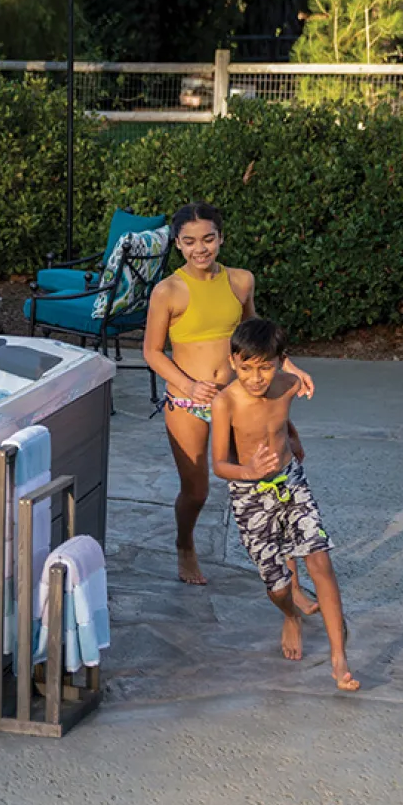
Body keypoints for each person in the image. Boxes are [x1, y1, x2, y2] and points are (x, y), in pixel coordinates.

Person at [142, 202, 315, 586]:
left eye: (207, 239)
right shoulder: (167, 291)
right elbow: (152, 352)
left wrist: (289, 366)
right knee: (198, 489)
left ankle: (287, 573)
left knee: (271, 479)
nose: (199, 248)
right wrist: (188, 385)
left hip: (238, 400)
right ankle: (185, 544)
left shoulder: (240, 281)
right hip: (188, 402)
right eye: (189, 242)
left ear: (221, 238)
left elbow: (256, 336)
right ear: (177, 244)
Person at [211, 319, 358, 691]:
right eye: (246, 368)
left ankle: (339, 655)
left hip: (291, 482)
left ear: (280, 362)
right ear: (233, 362)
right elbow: (218, 464)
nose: (256, 378)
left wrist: (293, 437)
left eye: (265, 367)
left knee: (320, 559)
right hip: (249, 494)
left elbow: (279, 418)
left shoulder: (289, 385)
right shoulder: (225, 401)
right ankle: (290, 615)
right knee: (277, 586)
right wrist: (247, 470)